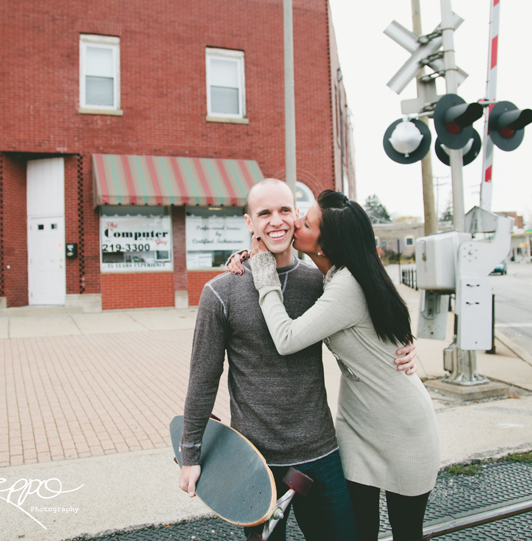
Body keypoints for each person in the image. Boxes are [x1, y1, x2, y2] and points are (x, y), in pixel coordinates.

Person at [178, 179, 418, 541]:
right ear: (249, 223)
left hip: (320, 453)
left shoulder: (321, 284)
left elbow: (372, 308)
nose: (275, 221)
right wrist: (190, 454)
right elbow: (203, 378)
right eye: (264, 213)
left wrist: (405, 345)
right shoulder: (220, 293)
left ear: (296, 217)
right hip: (253, 460)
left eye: (284, 211)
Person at [242, 189, 440, 541]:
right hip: (358, 427)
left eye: (305, 222)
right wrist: (245, 258)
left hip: (404, 428)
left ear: (326, 243)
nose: (294, 224)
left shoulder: (347, 284)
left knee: (406, 533)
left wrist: (262, 273)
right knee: (360, 533)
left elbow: (286, 339)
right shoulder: (341, 276)